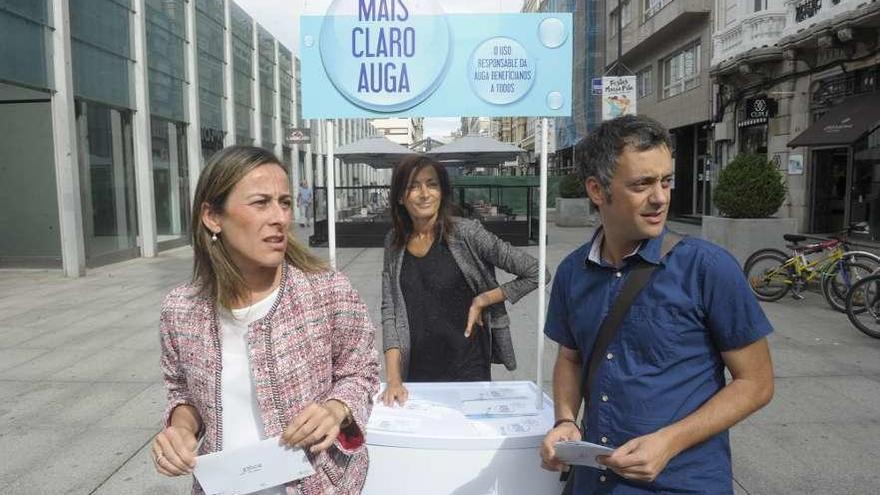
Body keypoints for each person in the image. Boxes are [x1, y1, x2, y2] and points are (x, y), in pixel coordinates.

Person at [539, 115, 774, 494]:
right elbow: (571, 358)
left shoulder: (708, 268)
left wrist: (670, 441)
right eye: (642, 184)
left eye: (666, 181)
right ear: (597, 190)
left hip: (682, 482)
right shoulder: (573, 271)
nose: (661, 197)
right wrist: (564, 421)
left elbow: (756, 383)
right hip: (595, 482)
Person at [152, 146, 378, 494]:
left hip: (318, 485)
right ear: (213, 216)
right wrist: (180, 429)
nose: (280, 218)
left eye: (284, 202)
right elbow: (181, 390)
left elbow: (360, 372)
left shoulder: (326, 291)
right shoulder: (181, 309)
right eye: (261, 203)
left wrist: (335, 409)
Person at [378, 155, 546, 405]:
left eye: (432, 184)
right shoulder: (394, 242)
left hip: (468, 367)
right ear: (401, 197)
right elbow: (390, 311)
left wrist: (484, 299)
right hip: (415, 371)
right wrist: (393, 379)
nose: (424, 193)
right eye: (413, 186)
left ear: (442, 192)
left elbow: (537, 271)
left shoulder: (467, 233)